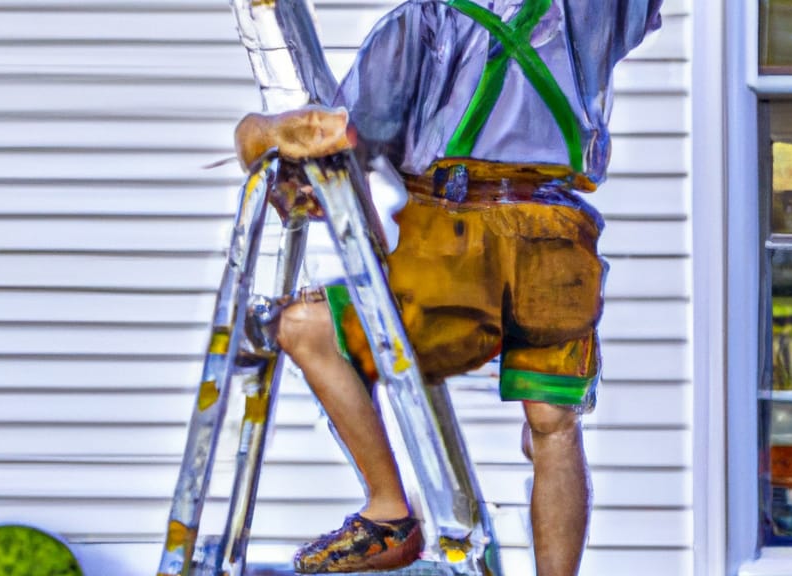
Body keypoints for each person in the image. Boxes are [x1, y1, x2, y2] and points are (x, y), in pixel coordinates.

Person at [235, 1, 663, 574]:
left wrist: (267, 140)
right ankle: (393, 514)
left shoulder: (458, 20)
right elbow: (341, 140)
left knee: (550, 424)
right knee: (552, 426)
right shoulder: (458, 20)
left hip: (490, 237)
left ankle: (390, 512)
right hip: (533, 237)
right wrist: (269, 137)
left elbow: (345, 143)